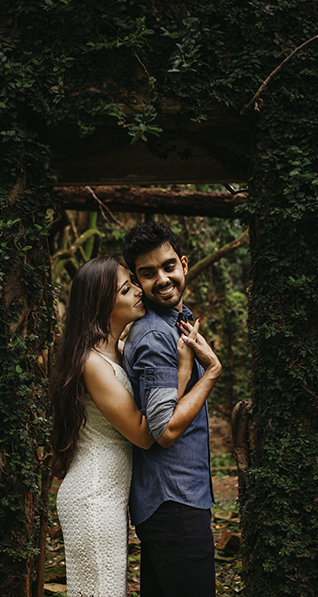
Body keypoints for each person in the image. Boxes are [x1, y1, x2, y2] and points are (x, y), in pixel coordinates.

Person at [49, 255, 222, 597]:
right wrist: (185, 371)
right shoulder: (92, 363)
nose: (138, 292)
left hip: (113, 495)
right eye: (127, 289)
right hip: (93, 495)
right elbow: (145, 435)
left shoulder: (121, 350)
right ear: (102, 302)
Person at [122, 221, 219, 596]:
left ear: (184, 263)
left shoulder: (177, 321)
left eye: (168, 267)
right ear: (136, 279)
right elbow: (164, 431)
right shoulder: (156, 336)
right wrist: (212, 371)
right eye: (148, 273)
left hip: (173, 502)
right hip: (174, 502)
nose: (162, 279)